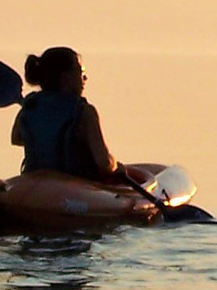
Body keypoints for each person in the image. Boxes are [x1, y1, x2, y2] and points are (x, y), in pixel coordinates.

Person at [10, 47, 148, 186]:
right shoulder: (83, 111)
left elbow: (17, 138)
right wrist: (116, 167)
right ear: (65, 77)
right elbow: (103, 163)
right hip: (75, 188)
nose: (84, 78)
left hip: (34, 186)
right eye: (80, 72)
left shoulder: (30, 106)